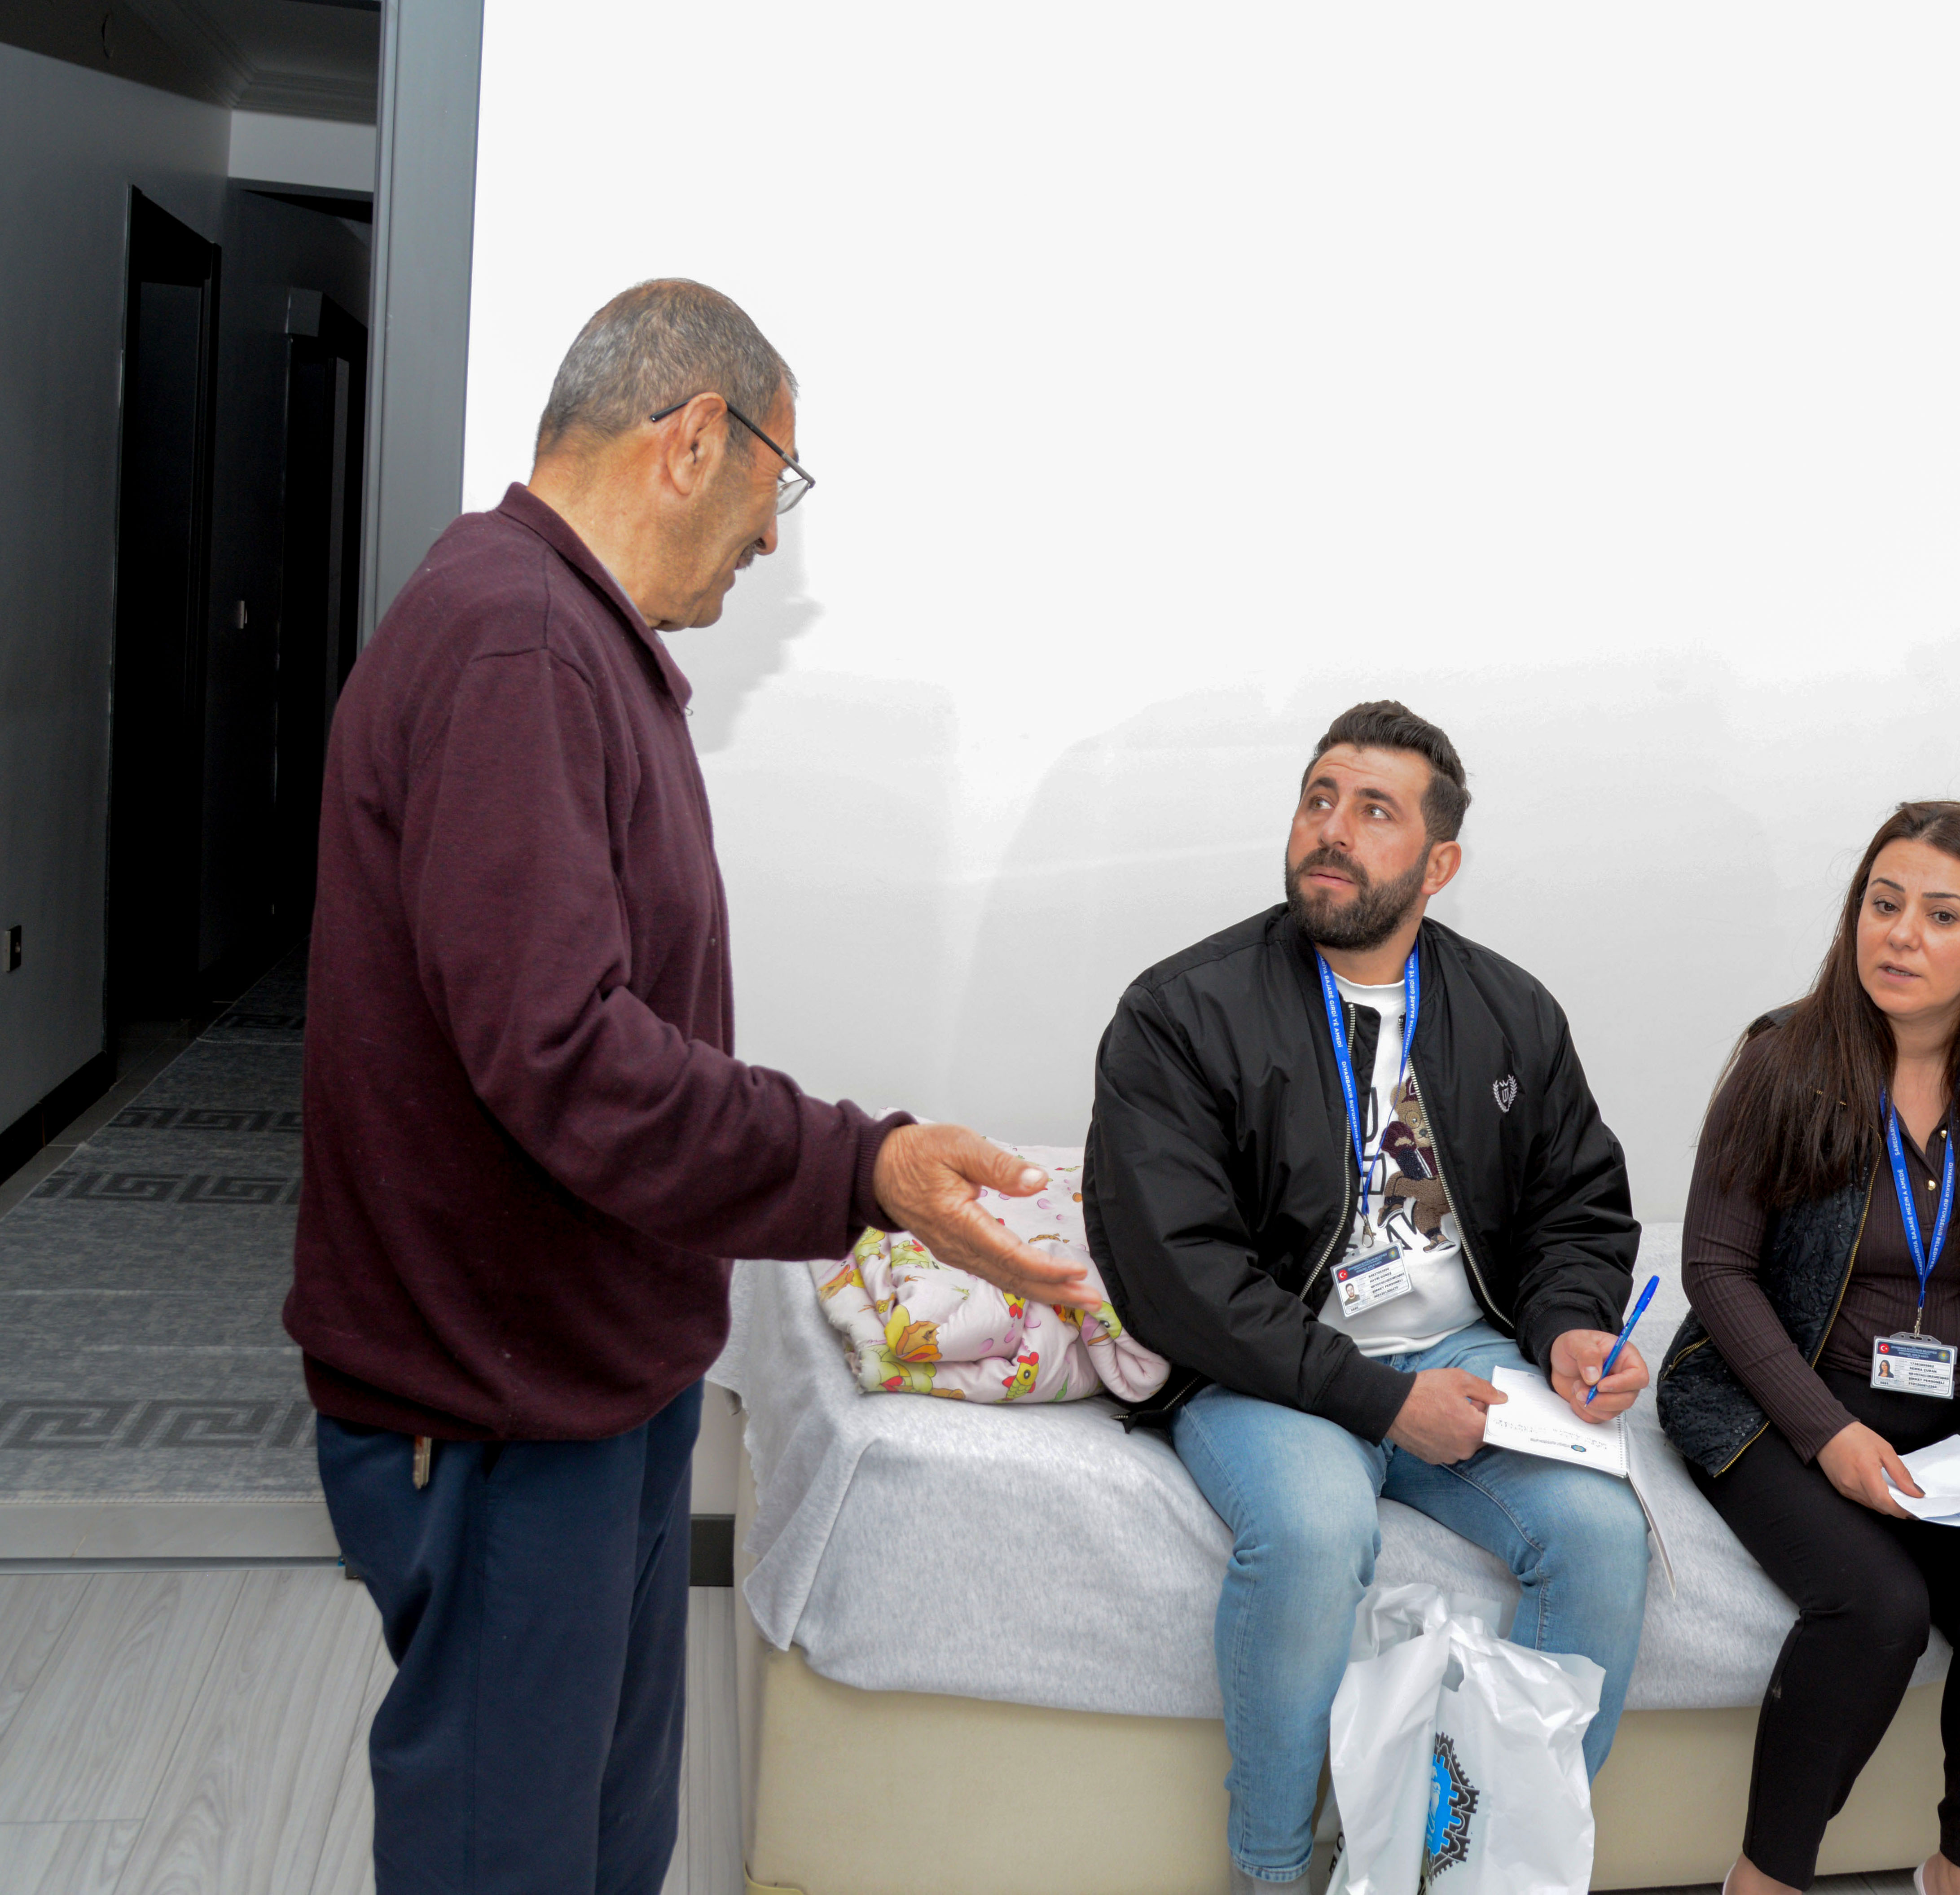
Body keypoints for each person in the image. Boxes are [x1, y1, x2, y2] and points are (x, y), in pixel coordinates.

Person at [285, 280, 1095, 1895]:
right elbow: (567, 1056)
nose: (774, 535)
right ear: (694, 437)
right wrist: (863, 1168)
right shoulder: (518, 642)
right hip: (498, 1405)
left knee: (606, 1839)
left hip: (591, 1381)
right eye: (777, 482)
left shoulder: (566, 635)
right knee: (510, 1858)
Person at [1085, 701, 1652, 1894]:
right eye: (1319, 797)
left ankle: (1477, 1870)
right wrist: (1384, 1403)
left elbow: (1577, 1206)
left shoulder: (1510, 1012)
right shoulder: (1181, 1012)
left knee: (1603, 1536)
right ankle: (1272, 1872)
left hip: (1460, 1347)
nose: (1331, 829)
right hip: (1270, 1365)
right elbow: (1178, 1271)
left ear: (1438, 865)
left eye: (1374, 810)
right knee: (1311, 1532)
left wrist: (1568, 1323)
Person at [1657, 801, 1960, 1895]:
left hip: (1952, 1427)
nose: (1898, 934)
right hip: (1776, 1399)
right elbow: (1714, 1268)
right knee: (1876, 1605)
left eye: (1940, 914)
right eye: (1882, 903)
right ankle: (1763, 1878)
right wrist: (1828, 1433)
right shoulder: (1782, 1059)